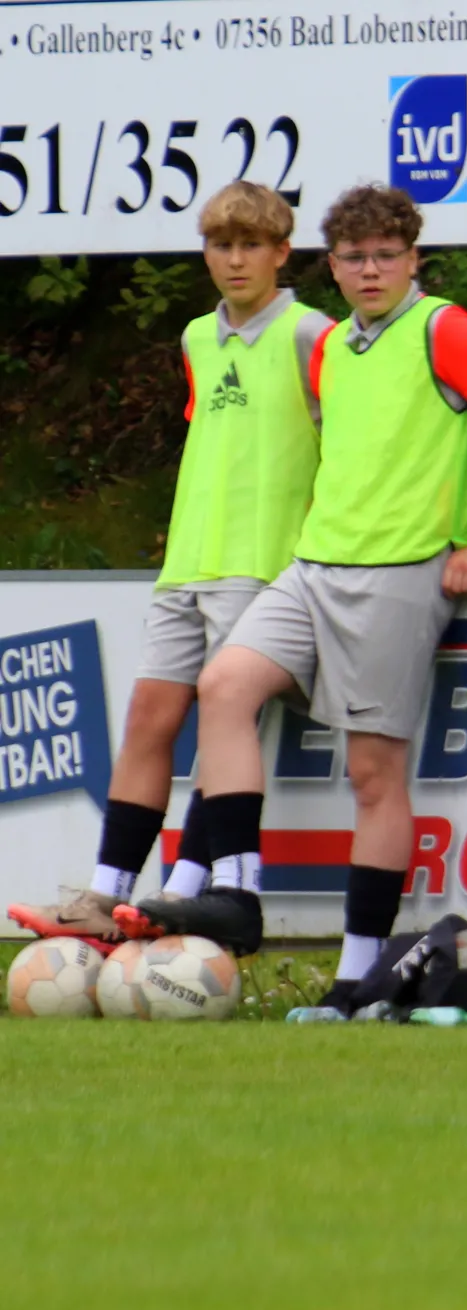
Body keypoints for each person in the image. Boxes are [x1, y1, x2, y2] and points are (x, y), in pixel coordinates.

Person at [114, 185, 467, 989]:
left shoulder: (444, 328)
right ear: (332, 266)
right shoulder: (335, 345)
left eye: (386, 256)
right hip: (315, 563)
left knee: (373, 775)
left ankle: (357, 975)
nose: (371, 270)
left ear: (413, 259)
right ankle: (237, 894)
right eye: (354, 257)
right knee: (223, 686)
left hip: (402, 569)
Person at [8, 183, 329, 952]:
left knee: (223, 722)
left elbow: (345, 446)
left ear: (282, 253)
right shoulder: (195, 338)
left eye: (251, 245)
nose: (235, 260)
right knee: (149, 718)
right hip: (187, 561)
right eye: (221, 245)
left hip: (262, 561)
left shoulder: (311, 334)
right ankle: (106, 896)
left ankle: (200, 893)